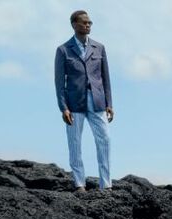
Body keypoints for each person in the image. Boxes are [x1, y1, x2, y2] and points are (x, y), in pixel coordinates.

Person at [54, 10, 114, 191]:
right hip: (74, 104)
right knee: (75, 143)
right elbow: (59, 82)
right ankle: (79, 183)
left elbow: (105, 78)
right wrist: (63, 107)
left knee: (105, 140)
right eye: (84, 22)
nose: (88, 25)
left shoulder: (99, 47)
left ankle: (107, 184)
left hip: (97, 101)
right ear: (74, 24)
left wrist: (109, 103)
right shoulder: (63, 50)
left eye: (90, 23)